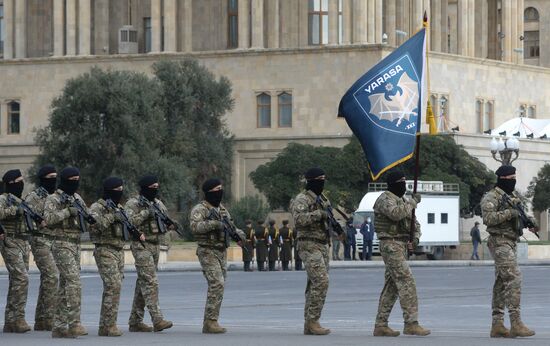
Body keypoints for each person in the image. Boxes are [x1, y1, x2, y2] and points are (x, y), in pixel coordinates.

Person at [372, 171, 430, 337]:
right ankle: (411, 323)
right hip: (390, 244)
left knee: (392, 286)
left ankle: (381, 324)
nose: (403, 185)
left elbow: (415, 225)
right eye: (401, 182)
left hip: (402, 245)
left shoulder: (403, 201)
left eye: (405, 181)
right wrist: (413, 202)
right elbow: (396, 214)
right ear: (392, 184)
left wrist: (415, 240)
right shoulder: (385, 199)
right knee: (406, 280)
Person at [481, 165, 536, 338]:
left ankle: (497, 325)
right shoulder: (491, 197)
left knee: (501, 282)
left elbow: (520, 214)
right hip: (499, 241)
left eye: (514, 178)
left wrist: (529, 220)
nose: (513, 181)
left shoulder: (511, 197)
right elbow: (488, 218)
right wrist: (509, 213)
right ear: (502, 179)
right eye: (511, 178)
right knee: (513, 276)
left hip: (510, 241)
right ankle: (516, 323)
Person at [89, 177, 145, 337]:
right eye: (116, 189)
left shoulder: (119, 207)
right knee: (113, 285)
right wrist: (112, 216)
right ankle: (108, 325)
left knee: (115, 287)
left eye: (121, 189)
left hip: (119, 250)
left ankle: (106, 325)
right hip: (104, 249)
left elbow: (127, 226)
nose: (119, 192)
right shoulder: (97, 207)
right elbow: (95, 226)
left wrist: (137, 234)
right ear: (109, 190)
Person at [190, 178, 246, 333]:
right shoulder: (200, 209)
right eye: (217, 190)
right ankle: (210, 322)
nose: (220, 192)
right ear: (209, 192)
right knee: (217, 283)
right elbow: (195, 227)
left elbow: (232, 227)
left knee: (219, 286)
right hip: (207, 250)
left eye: (221, 189)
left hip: (221, 251)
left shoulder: (222, 209)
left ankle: (210, 320)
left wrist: (240, 235)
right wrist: (215, 224)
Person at [290, 167, 341, 335]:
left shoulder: (323, 199)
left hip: (322, 245)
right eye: (319, 179)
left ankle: (309, 323)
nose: (322, 182)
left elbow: (329, 218)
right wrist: (319, 214)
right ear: (310, 181)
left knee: (314, 284)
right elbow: (299, 220)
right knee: (321, 281)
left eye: (324, 179)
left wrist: (337, 229)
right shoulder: (302, 199)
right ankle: (313, 321)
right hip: (308, 244)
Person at [44, 167, 89, 338]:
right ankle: (74, 323)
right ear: (64, 180)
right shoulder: (53, 198)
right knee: (74, 282)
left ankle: (59, 326)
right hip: (61, 244)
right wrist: (67, 211)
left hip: (76, 244)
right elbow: (47, 219)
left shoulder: (77, 198)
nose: (75, 182)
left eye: (77, 179)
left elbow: (86, 215)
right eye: (72, 179)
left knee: (65, 286)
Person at [125, 175, 173, 333]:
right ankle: (157, 319)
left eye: (157, 187)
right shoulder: (133, 203)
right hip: (140, 245)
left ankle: (135, 321)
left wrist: (170, 225)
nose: (155, 190)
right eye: (152, 187)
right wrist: (146, 213)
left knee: (143, 283)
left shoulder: (158, 203)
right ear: (144, 188)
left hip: (155, 245)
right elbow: (128, 222)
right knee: (151, 281)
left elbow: (164, 221)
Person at [26, 165, 58, 332]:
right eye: (50, 177)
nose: (53, 180)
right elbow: (28, 220)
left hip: (53, 241)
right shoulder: (33, 197)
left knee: (48, 280)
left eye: (55, 176)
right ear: (43, 178)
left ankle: (41, 320)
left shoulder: (56, 196)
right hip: (39, 240)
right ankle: (49, 318)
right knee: (52, 276)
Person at [0, 169, 31, 333]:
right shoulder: (3, 199)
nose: (21, 184)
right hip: (10, 242)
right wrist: (15, 210)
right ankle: (18, 319)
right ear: (10, 183)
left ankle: (11, 321)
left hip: (23, 242)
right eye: (18, 181)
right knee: (22, 278)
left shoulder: (21, 200)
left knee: (17, 282)